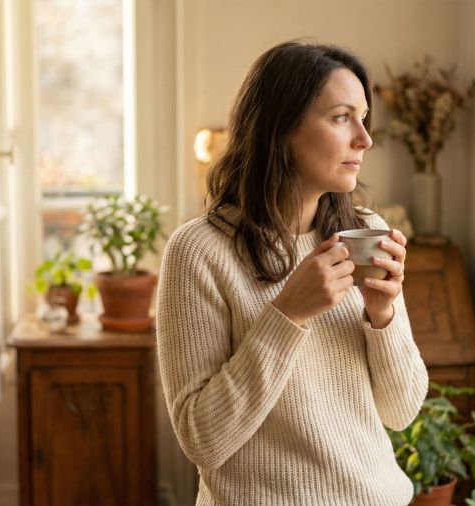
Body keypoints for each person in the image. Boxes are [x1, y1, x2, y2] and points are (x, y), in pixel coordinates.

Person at [156, 40, 428, 505]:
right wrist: (288, 314)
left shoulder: (366, 232)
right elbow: (203, 440)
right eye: (342, 117)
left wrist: (382, 316)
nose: (364, 139)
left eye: (364, 119)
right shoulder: (198, 251)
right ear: (279, 128)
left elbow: (401, 411)